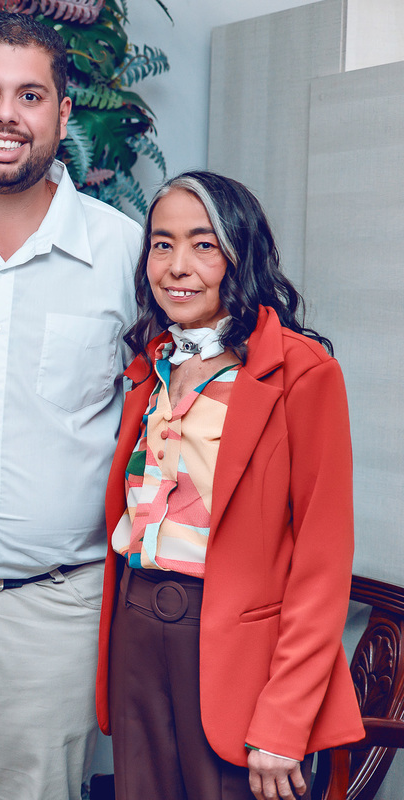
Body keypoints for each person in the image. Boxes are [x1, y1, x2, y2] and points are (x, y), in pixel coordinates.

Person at [96, 171, 364, 800]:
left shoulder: (302, 372)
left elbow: (322, 562)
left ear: (241, 254)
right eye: (162, 245)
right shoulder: (153, 364)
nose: (177, 267)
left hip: (236, 650)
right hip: (136, 628)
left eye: (203, 245)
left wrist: (284, 721)